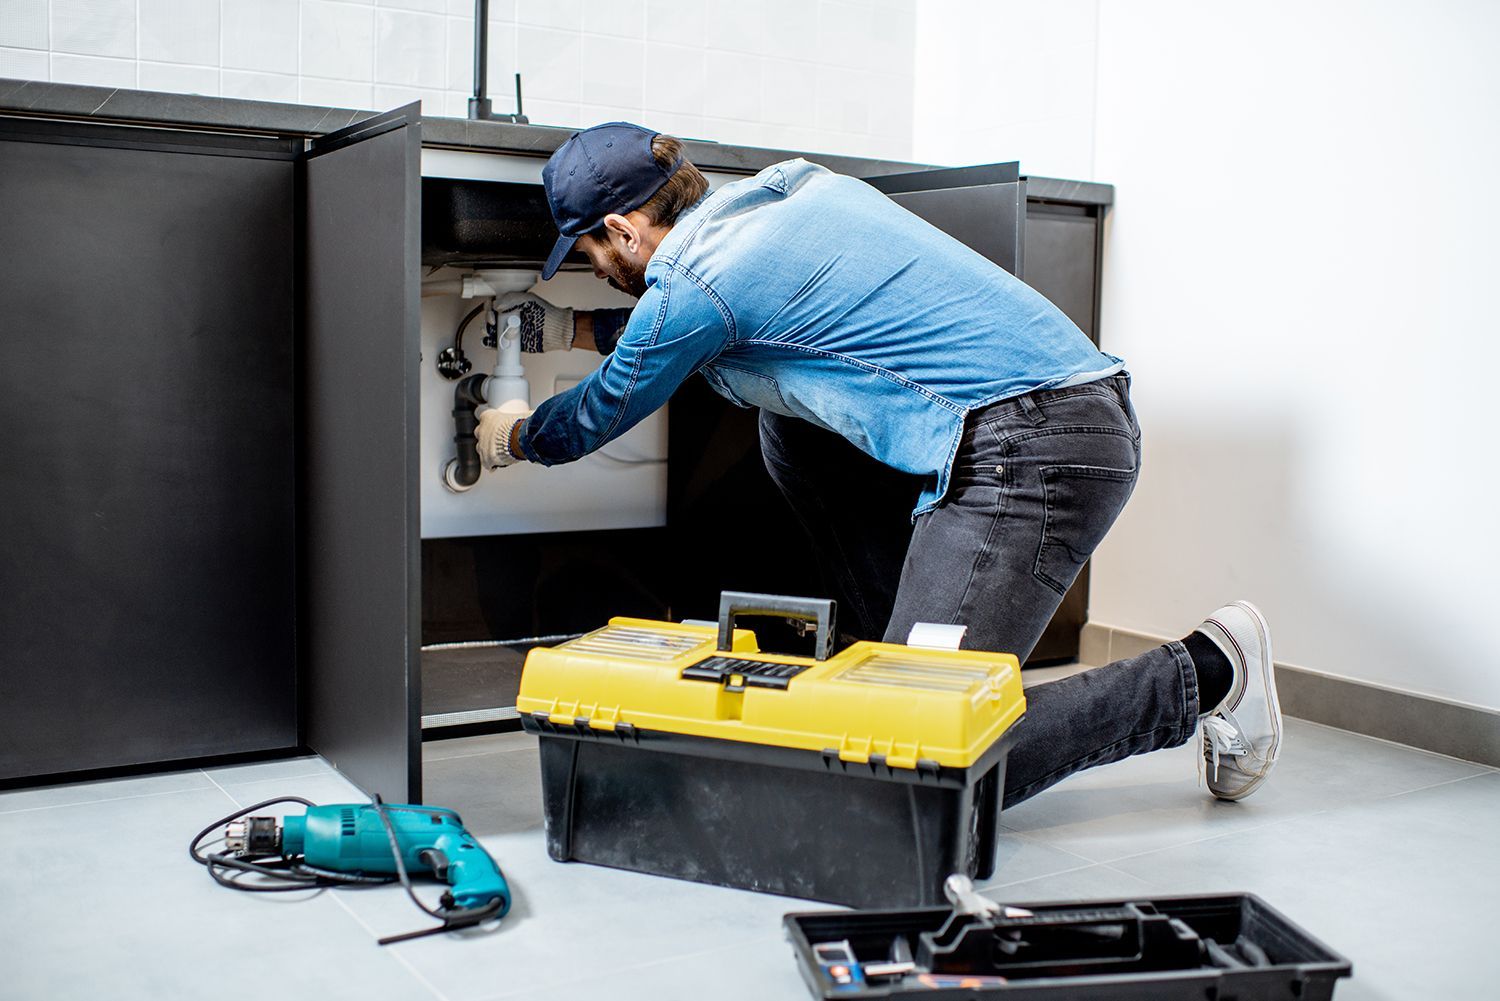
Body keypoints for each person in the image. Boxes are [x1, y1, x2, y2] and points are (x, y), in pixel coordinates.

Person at [476, 122, 1282, 805]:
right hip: (1052, 418)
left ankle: (1212, 669)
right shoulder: (784, 191)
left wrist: (509, 434)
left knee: (907, 765)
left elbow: (598, 409)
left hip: (1032, 449)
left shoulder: (696, 282)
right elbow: (702, 329)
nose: (593, 268)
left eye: (587, 249)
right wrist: (572, 330)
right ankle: (886, 662)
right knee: (784, 423)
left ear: (623, 229)